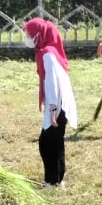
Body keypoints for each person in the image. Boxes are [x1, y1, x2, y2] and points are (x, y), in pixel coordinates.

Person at [23, 18, 78, 187]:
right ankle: (57, 179)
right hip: (57, 104)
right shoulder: (49, 51)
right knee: (54, 142)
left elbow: (53, 83)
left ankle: (53, 180)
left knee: (48, 144)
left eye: (28, 34)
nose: (26, 37)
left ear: (38, 35)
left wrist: (53, 109)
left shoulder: (47, 53)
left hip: (56, 105)